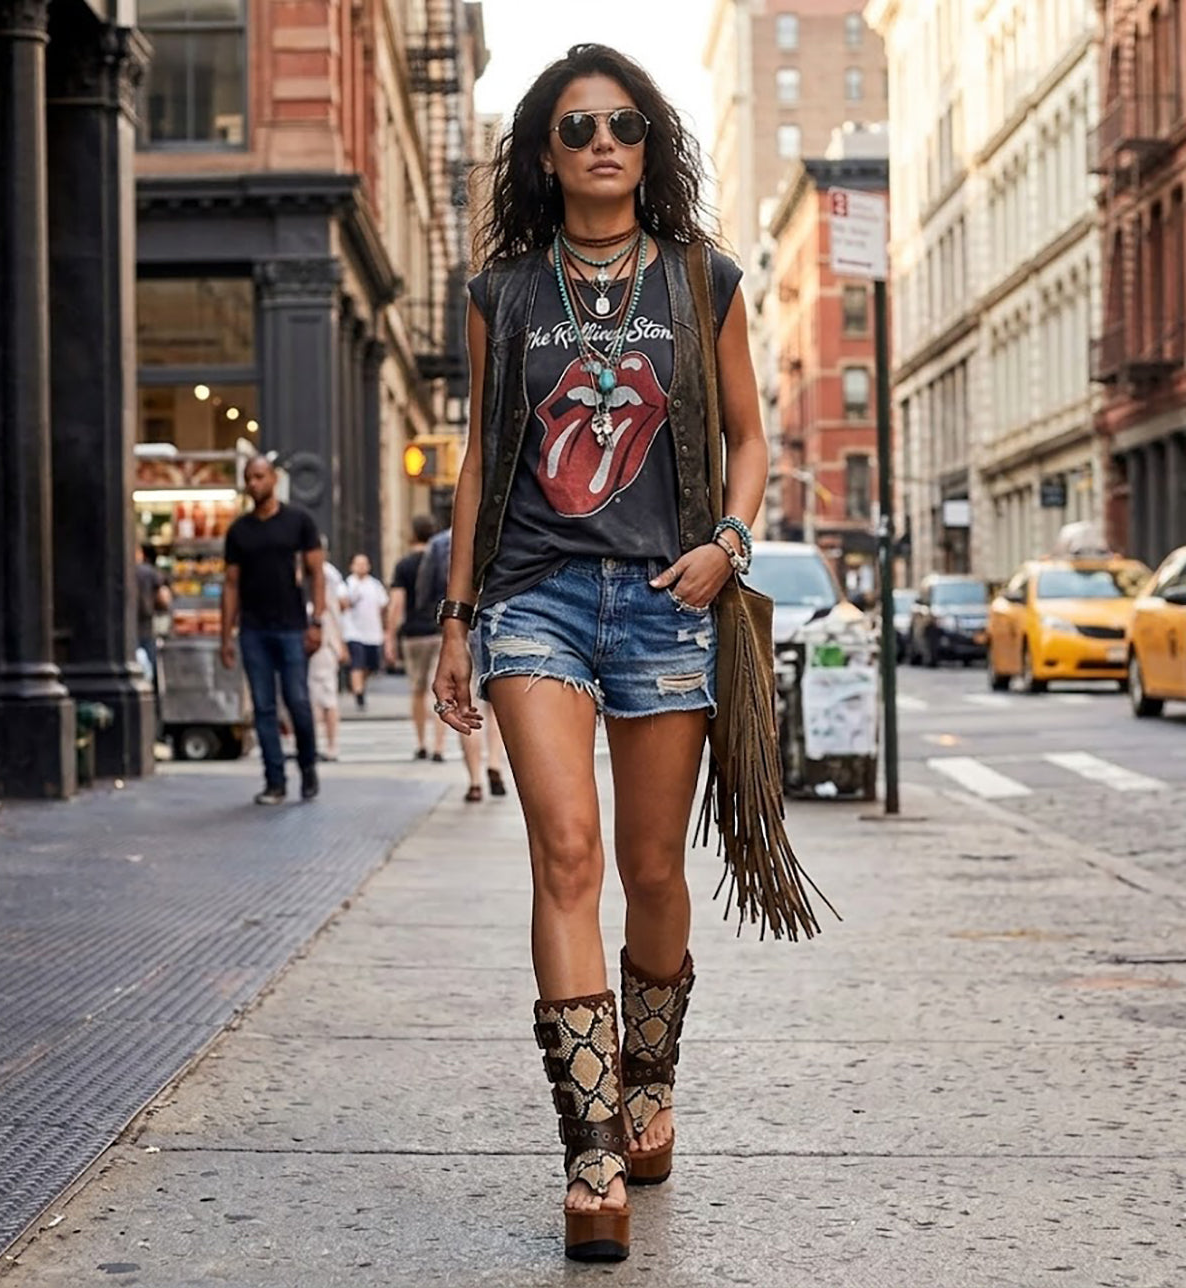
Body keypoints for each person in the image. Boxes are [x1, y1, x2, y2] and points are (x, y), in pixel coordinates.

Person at [430, 45, 762, 1262]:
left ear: (649, 141)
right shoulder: (500, 293)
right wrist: (457, 619)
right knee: (565, 852)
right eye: (577, 128)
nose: (603, 142)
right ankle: (590, 1154)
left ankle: (650, 1076)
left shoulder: (701, 278)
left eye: (624, 122)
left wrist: (729, 541)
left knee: (651, 866)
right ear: (546, 152)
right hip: (535, 602)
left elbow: (749, 438)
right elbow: (479, 460)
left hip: (670, 600)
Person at [220, 455, 325, 804]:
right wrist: (226, 636)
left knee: (297, 701)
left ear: (274, 479)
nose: (254, 484)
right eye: (249, 478)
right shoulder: (239, 531)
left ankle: (308, 767)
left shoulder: (299, 521)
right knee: (263, 707)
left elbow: (317, 574)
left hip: (293, 627)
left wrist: (317, 621)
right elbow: (231, 585)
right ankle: (275, 780)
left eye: (260, 477)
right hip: (253, 630)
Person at [415, 525, 508, 801]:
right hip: (499, 619)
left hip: (459, 624)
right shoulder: (502, 529)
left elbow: (425, 588)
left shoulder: (438, 543)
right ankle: (494, 763)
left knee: (466, 704)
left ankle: (476, 781)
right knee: (496, 706)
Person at [385, 515, 445, 761]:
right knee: (440, 692)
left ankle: (421, 742)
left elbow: (396, 604)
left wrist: (389, 637)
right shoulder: (443, 561)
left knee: (417, 690)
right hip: (439, 631)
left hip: (413, 635)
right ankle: (439, 746)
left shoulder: (404, 565)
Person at [309, 539, 349, 761]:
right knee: (316, 695)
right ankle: (319, 743)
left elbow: (335, 608)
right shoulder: (323, 573)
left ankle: (329, 744)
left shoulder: (326, 574)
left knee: (323, 696)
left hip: (324, 642)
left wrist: (337, 643)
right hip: (320, 641)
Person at [343, 553, 389, 710]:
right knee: (357, 662)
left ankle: (358, 684)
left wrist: (385, 628)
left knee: (370, 665)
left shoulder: (375, 585)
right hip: (353, 631)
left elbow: (383, 606)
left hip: (373, 632)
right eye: (358, 564)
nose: (361, 567)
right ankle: (359, 693)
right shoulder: (348, 584)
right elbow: (343, 604)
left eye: (364, 564)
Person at [134, 544, 170, 687]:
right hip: (146, 628)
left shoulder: (119, 571)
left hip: (125, 631)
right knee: (149, 673)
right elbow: (164, 599)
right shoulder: (149, 572)